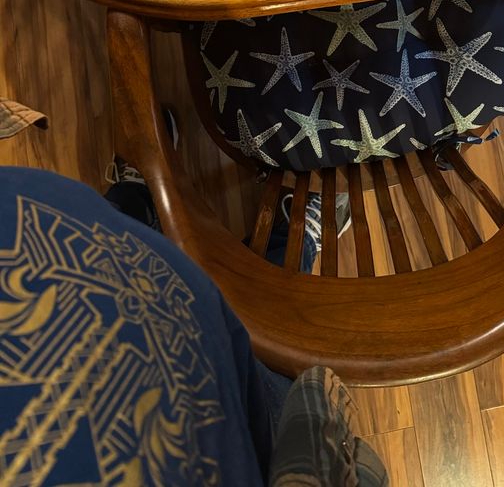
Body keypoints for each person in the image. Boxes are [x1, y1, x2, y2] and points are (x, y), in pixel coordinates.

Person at [0, 125, 387, 486]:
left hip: (71, 246)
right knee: (262, 367)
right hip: (229, 420)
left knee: (105, 234)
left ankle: (138, 202)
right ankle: (293, 242)